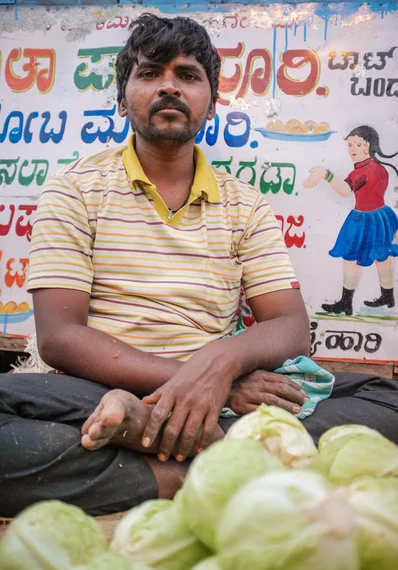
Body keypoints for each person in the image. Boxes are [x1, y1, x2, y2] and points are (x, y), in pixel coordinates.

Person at [0, 15, 397, 519]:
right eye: (149, 73)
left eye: (188, 75)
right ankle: (214, 466)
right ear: (123, 98)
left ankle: (149, 449)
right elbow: (60, 338)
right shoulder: (74, 189)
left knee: (386, 403)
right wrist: (204, 379)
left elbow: (291, 326)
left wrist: (222, 367)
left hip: (225, 399)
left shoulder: (245, 204)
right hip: (101, 387)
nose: (169, 85)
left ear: (211, 101)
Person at [304, 126, 398, 316]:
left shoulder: (361, 172)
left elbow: (345, 191)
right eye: (349, 145)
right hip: (383, 216)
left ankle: (346, 303)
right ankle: (388, 297)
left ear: (368, 145)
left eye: (358, 144)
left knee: (351, 260)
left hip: (362, 219)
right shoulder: (380, 168)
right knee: (383, 258)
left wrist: (326, 174)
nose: (352, 149)